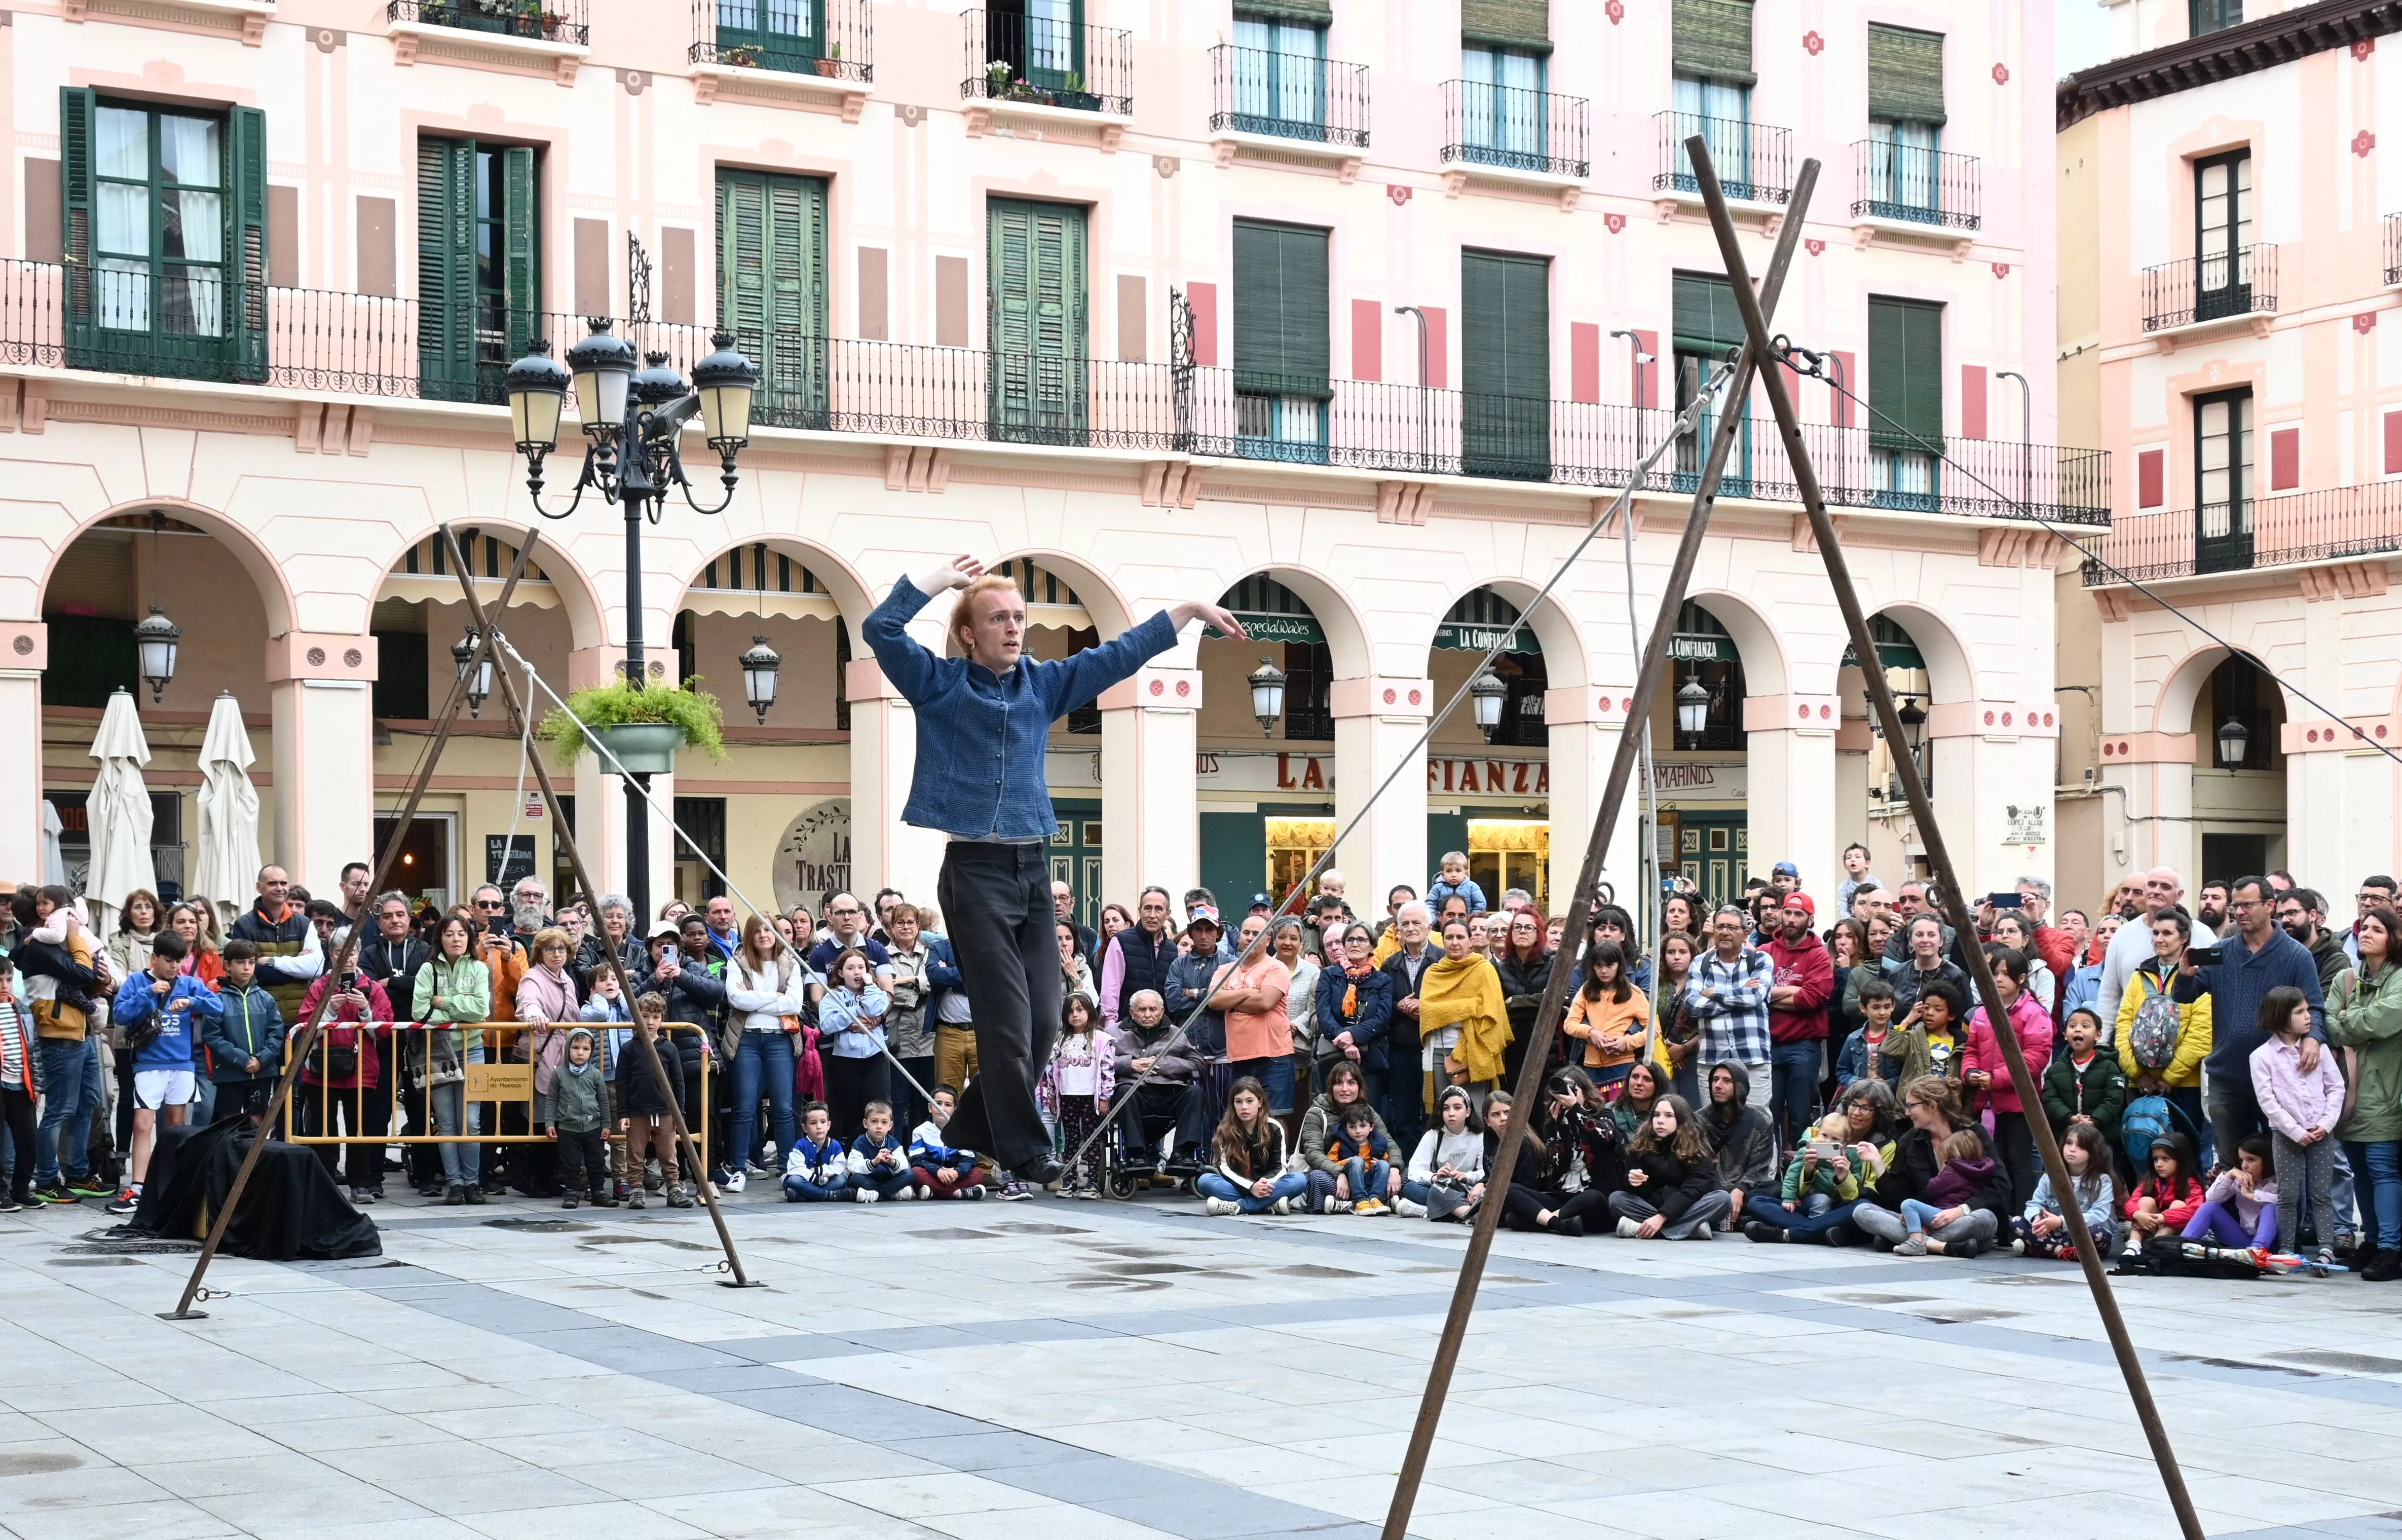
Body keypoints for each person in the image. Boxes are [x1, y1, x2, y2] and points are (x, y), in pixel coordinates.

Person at [862, 555, 1245, 1190]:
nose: (1014, 629)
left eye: (1019, 618)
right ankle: (1025, 1150)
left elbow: (1117, 656)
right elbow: (882, 631)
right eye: (998, 619)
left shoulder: (1043, 684)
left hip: (1034, 868)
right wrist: (937, 581)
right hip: (975, 871)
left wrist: (1188, 612)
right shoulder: (938, 683)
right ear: (968, 634)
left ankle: (968, 1132)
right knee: (1007, 1023)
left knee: (1046, 1019)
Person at [2173, 876, 2327, 1148]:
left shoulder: (2296, 955)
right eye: (2235, 907)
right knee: (2233, 1165)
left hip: (2280, 1075)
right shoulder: (2220, 952)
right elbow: (2184, 997)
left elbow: (2315, 1006)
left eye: (2248, 905)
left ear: (2270, 905)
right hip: (2227, 1075)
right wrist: (2184, 976)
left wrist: (2314, 1039)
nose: (2240, 913)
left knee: (2281, 1161)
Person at [104, 932, 217, 1215]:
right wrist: (148, 994)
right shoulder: (136, 981)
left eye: (179, 961)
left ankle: (170, 1184)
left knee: (176, 1126)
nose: (175, 967)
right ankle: (138, 1189)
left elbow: (218, 1006)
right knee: (142, 1124)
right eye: (169, 961)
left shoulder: (190, 983)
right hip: (148, 1064)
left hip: (181, 1065)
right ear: (154, 959)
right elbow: (119, 1015)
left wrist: (192, 1003)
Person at [1851, 1076, 2011, 1253]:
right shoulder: (1910, 1141)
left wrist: (1963, 1210)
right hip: (1925, 1220)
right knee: (1862, 1211)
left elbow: (2001, 1185)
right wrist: (1878, 1164)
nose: (1907, 1113)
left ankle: (1914, 1240)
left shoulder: (1972, 1133)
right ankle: (1944, 1246)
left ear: (1932, 1106)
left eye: (1912, 1106)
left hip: (1965, 1218)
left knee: (1986, 1218)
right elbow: (1900, 1201)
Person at [2329, 902, 2402, 1282]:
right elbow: (2328, 1022)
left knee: (2382, 1168)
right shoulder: (2346, 978)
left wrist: (2349, 1021)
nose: (2367, 933)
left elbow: (2386, 1018)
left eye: (2377, 928)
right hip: (2351, 1092)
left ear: (2393, 937)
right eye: (2364, 927)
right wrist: (2349, 1023)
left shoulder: (2400, 977)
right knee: (2359, 1169)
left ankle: (2392, 1247)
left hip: (2388, 1092)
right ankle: (2371, 1241)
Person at [722, 915, 815, 1189]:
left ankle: (787, 1168)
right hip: (747, 1040)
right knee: (744, 1107)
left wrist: (756, 1002)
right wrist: (776, 997)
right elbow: (736, 999)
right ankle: (738, 1169)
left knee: (785, 1108)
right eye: (757, 930)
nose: (763, 934)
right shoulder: (737, 961)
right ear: (749, 935)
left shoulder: (791, 962)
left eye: (768, 929)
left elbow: (796, 1004)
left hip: (780, 1040)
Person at [2251, 985, 2342, 1267]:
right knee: (2288, 1194)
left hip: (2321, 1133)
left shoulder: (2320, 1049)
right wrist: (2295, 1131)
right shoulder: (2262, 1057)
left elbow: (2336, 1087)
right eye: (2300, 1012)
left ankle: (2327, 1247)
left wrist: (2325, 1125)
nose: (2309, 1017)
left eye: (2308, 1010)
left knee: (2321, 1193)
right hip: (2286, 1135)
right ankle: (2288, 1248)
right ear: (2281, 1016)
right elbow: (2268, 1102)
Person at [2116, 906, 2213, 1164]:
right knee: (2146, 1156)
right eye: (2156, 933)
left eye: (2167, 933)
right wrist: (2138, 1073)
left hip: (2184, 1086)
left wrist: (2169, 1078)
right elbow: (2124, 1024)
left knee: (2185, 1157)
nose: (2159, 939)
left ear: (2184, 938)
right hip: (2142, 1084)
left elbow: (2201, 1033)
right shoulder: (2140, 976)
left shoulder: (2200, 976)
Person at [294, 957, 395, 1204]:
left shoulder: (372, 987)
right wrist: (329, 1010)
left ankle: (360, 1184)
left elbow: (385, 1029)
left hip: (362, 1069)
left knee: (359, 1129)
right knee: (322, 1129)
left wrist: (365, 1010)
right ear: (333, 956)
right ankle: (325, 1182)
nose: (347, 958)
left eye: (352, 951)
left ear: (359, 955)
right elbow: (305, 1028)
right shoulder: (320, 987)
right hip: (322, 1068)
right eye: (341, 951)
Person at [1962, 946, 2054, 1210]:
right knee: (1995, 1161)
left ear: (2022, 978)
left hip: (2019, 1104)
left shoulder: (2034, 1013)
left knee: (2019, 1161)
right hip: (1987, 1102)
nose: (1999, 979)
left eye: (2006, 974)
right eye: (1995, 973)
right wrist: (1970, 1073)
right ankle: (2000, 1223)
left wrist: (1995, 1079)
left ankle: (2022, 1218)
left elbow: (2035, 1059)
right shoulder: (1982, 1012)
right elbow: (1971, 1050)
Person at [1763, 894, 1834, 1157]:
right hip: (1769, 1046)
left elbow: (1812, 999)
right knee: (1766, 1113)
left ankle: (1804, 1174)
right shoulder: (1764, 953)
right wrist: (1792, 990)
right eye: (1789, 913)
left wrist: (1770, 997)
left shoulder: (1819, 955)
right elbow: (1753, 995)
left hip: (1803, 1047)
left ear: (1810, 920)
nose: (1792, 919)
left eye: (1799, 914)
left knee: (1800, 1115)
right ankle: (1769, 1173)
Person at [1684, 907, 1774, 1110]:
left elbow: (1755, 997)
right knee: (1713, 1125)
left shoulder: (1760, 960)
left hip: (1753, 1058)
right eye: (1721, 927)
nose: (1725, 932)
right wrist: (1739, 995)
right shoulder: (1700, 963)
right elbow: (1692, 1004)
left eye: (1732, 927)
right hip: (1712, 1061)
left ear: (1745, 933)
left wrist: (1714, 991)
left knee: (1758, 1124)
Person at [1608, 1093, 1729, 1240]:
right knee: (1617, 1199)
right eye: (1657, 1115)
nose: (1660, 1121)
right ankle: (1691, 1229)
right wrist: (1632, 1180)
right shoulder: (1641, 1143)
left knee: (1721, 1199)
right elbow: (1639, 1193)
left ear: (1681, 1119)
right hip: (1653, 1205)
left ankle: (1639, 1229)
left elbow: (1694, 1190)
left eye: (1668, 1116)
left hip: (1687, 1206)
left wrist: (1662, 1217)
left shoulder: (1697, 1148)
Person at [1215, 915, 1294, 1117]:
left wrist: (1231, 1000)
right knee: (1242, 1119)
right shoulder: (1225, 969)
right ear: (1239, 937)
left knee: (1275, 1117)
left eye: (1257, 934)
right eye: (1246, 933)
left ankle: (1278, 1152)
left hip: (1274, 1056)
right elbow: (1213, 1001)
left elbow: (1265, 1002)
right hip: (1239, 1057)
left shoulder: (1277, 967)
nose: (1250, 938)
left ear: (1268, 940)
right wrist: (1249, 992)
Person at [1297, 1061, 1398, 1213]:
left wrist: (1395, 1168)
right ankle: (1359, 1203)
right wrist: (1339, 1173)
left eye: (1351, 1083)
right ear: (1331, 1087)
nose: (1345, 1089)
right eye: (1339, 1083)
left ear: (1359, 1087)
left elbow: (1390, 1143)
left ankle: (1366, 1201)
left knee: (1403, 1176)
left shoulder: (1367, 1111)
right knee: (1317, 1178)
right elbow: (1313, 1153)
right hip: (1334, 1176)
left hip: (1367, 1177)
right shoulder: (1317, 1113)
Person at [1038, 995, 1114, 1197]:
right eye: (1071, 1012)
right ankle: (1070, 1180)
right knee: (1070, 1140)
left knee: (1092, 1140)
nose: (1075, 1015)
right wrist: (1053, 1096)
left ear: (1090, 1012)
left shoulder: (1101, 1039)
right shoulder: (1060, 1041)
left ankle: (1093, 1184)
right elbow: (1051, 1072)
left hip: (1091, 1097)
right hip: (1068, 1096)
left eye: (1080, 1010)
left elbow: (1108, 1070)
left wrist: (1105, 1097)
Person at [230, 866, 324, 1025]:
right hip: (260, 1017)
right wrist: (298, 968)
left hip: (300, 1018)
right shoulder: (244, 925)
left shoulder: (304, 923)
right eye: (273, 883)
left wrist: (273, 962)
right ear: (259, 887)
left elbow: (316, 968)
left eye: (283, 883)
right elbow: (248, 972)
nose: (279, 888)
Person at [2012, 1122, 2122, 1260]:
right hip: (2055, 1232)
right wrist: (2037, 1219)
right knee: (2017, 1221)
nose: (2072, 1149)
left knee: (2097, 1233)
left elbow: (2099, 1215)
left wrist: (2060, 1222)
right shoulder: (2050, 1177)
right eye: (2069, 1143)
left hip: (2084, 1233)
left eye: (2080, 1146)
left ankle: (2040, 1249)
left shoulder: (2103, 1180)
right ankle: (2062, 1252)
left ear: (2093, 1151)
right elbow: (2034, 1204)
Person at [620, 993, 689, 1209]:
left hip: (666, 1111)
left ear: (662, 1019)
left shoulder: (670, 1048)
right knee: (635, 1153)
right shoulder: (629, 1049)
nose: (650, 1022)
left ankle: (674, 1188)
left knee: (669, 1154)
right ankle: (636, 1190)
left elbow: (679, 1083)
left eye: (655, 1017)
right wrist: (623, 1113)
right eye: (645, 1016)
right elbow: (622, 1083)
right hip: (637, 1111)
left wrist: (680, 1114)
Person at [1198, 1076, 1304, 1215]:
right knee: (1205, 1181)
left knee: (1299, 1180)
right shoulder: (1226, 1130)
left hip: (1268, 1185)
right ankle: (1269, 1205)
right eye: (1239, 1102)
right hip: (1239, 1186)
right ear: (1233, 1104)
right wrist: (1251, 1187)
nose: (1244, 1107)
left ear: (1260, 1102)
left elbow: (1280, 1167)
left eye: (1250, 1101)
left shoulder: (1274, 1127)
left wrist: (1263, 1184)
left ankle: (1239, 1207)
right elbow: (1225, 1170)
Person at [819, 947, 894, 1145]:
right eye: (851, 968)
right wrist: (851, 1013)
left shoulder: (876, 992)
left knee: (879, 1106)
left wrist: (870, 987)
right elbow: (827, 1026)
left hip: (875, 1055)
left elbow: (876, 1009)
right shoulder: (832, 997)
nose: (857, 972)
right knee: (852, 1109)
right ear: (841, 973)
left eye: (861, 967)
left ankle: (884, 1150)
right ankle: (855, 1154)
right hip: (846, 1058)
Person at [1319, 923, 1395, 1112]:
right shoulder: (1329, 975)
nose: (1355, 944)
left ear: (1372, 946)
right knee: (1334, 1114)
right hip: (1334, 1054)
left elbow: (1382, 1018)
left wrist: (1354, 1035)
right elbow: (1323, 1014)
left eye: (1362, 939)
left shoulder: (1383, 980)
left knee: (1368, 1115)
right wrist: (1346, 1041)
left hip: (1369, 1059)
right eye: (1350, 939)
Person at [1891, 1129, 1998, 1257]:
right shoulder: (1982, 1169)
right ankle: (1950, 1245)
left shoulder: (1952, 1172)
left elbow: (1932, 1188)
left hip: (1944, 1214)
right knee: (1865, 1211)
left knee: (1909, 1205)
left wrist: (1942, 1171)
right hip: (1961, 1220)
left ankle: (1916, 1240)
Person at [1562, 940, 1648, 1095]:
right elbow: (1569, 1024)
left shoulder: (1633, 993)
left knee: (1618, 1115)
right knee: (1595, 1112)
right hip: (1592, 1066)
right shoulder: (1586, 991)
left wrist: (1627, 1042)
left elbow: (1654, 1030)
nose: (1603, 971)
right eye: (1598, 965)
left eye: (1609, 965)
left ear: (1619, 966)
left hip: (1623, 1065)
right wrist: (1590, 1033)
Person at [882, 904, 939, 1134]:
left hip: (928, 1036)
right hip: (898, 1036)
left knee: (926, 1099)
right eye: (900, 923)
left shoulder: (931, 952)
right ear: (892, 927)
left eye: (911, 923)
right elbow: (884, 990)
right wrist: (920, 985)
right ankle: (894, 1149)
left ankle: (924, 1151)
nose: (906, 927)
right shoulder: (883, 955)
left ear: (918, 926)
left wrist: (909, 981)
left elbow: (937, 981)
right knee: (896, 1099)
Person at [2041, 1006, 2127, 1154]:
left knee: (2100, 1173)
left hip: (2101, 1137)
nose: (2078, 1030)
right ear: (2065, 1035)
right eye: (2072, 1026)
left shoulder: (2110, 1067)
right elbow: (2050, 1098)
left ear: (2098, 1035)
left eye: (2085, 1026)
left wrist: (2095, 1121)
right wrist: (2070, 1118)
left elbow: (2114, 1099)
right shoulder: (2056, 1069)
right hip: (2066, 1136)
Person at [1701, 1062, 1775, 1228]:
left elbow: (1760, 1167)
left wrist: (1740, 1189)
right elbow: (1698, 1169)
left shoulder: (1761, 1122)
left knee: (1775, 1189)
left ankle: (1723, 1218)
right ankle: (1739, 1220)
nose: (1718, 1086)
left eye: (1727, 1081)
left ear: (1740, 1086)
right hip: (1711, 1191)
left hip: (1747, 1192)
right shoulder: (1698, 1120)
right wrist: (1723, 1194)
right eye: (1715, 1080)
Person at [548, 1028, 615, 1210]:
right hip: (568, 1127)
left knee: (597, 1161)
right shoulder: (560, 1074)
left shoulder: (595, 1075)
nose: (580, 1053)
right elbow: (552, 1099)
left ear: (591, 1052)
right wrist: (549, 1123)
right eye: (576, 1047)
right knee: (571, 1163)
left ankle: (598, 1193)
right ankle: (571, 1193)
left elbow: (603, 1101)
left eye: (586, 1049)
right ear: (568, 1049)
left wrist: (606, 1125)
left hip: (593, 1127)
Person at [1098, 887, 1177, 1036]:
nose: (1152, 915)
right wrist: (1111, 1028)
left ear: (1168, 914)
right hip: (1126, 1029)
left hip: (1161, 1031)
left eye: (1159, 909)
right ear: (1140, 911)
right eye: (1148, 908)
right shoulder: (1121, 941)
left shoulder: (1173, 949)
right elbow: (1110, 990)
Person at [1403, 1084, 1485, 1221]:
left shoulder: (1479, 1136)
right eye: (1446, 1109)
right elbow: (1415, 1170)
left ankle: (1447, 1211)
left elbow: (1486, 1173)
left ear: (1468, 1112)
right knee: (1411, 1188)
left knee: (1481, 1193)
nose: (1451, 1113)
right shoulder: (1434, 1135)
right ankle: (1462, 1210)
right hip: (1440, 1187)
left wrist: (1465, 1176)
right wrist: (1435, 1177)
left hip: (1466, 1188)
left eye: (1457, 1108)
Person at [2182, 1135, 2277, 1251]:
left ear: (2267, 1160)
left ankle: (2257, 1250)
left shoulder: (2279, 1180)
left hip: (2273, 1245)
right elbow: (2211, 1199)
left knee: (2270, 1208)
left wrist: (2251, 1195)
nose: (2244, 1166)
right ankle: (2182, 1246)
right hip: (2245, 1241)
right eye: (2242, 1160)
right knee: (2210, 1208)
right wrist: (2230, 1175)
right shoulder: (2240, 1179)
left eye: (2251, 1160)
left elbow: (2283, 1201)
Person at [2121, 1132, 2207, 1256]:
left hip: (2176, 1235)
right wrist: (2137, 1214)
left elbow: (2195, 1211)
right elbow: (2131, 1202)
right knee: (2145, 1201)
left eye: (2166, 1159)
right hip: (2151, 1227)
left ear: (2181, 1160)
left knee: (2179, 1205)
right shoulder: (2151, 1181)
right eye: (2156, 1159)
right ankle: (2133, 1246)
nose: (2159, 1164)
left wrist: (2164, 1218)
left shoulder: (2192, 1185)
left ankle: (2153, 1248)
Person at [1270, 918, 1319, 1113]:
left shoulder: (1312, 971)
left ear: (1302, 943)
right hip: (1271, 1046)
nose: (1287, 943)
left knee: (1299, 1108)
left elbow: (1314, 1006)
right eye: (1282, 937)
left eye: (1293, 938)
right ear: (1274, 941)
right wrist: (1281, 1025)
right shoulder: (1266, 967)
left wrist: (1295, 1025)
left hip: (1299, 1048)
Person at [909, 1085, 987, 1200]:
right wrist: (938, 1171)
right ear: (930, 1107)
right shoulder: (920, 1131)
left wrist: (957, 1172)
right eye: (938, 1104)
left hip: (955, 1176)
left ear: (955, 1110)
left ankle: (935, 1192)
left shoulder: (961, 1132)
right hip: (932, 1174)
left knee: (978, 1174)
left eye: (948, 1105)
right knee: (916, 1173)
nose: (942, 1108)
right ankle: (958, 1193)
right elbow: (917, 1160)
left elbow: (969, 1160)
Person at [1650, 930, 1701, 1105]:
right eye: (1671, 952)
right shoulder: (1654, 984)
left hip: (1692, 1058)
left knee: (1692, 1110)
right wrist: (1666, 1050)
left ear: (1693, 955)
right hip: (1660, 1056)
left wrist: (1684, 1049)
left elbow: (1709, 1024)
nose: (1677, 957)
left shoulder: (1703, 983)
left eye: (1683, 952)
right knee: (1665, 1106)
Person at [1325, 1104, 1397, 1216]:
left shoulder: (1378, 1144)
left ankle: (1376, 1199)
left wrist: (1382, 1165)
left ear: (1372, 1127)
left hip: (1370, 1180)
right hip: (1350, 1181)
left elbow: (1387, 1163)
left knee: (1383, 1164)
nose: (1358, 1131)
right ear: (1346, 1129)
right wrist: (1348, 1162)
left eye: (1363, 1126)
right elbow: (1330, 1164)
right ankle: (1360, 1201)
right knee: (1357, 1161)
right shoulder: (1340, 1144)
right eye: (1353, 1127)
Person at [1834, 976, 1901, 1096]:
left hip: (1890, 1100)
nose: (1882, 1012)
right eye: (1876, 1007)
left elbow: (1907, 1072)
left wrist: (1888, 1084)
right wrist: (1860, 1084)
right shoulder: (1853, 1039)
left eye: (1887, 1007)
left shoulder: (1899, 1038)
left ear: (1893, 1006)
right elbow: (1842, 1071)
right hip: (1860, 1098)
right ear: (1863, 1008)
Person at [781, 1101, 852, 1203]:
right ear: (805, 1128)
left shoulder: (835, 1145)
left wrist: (819, 1171)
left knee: (842, 1180)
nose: (819, 1127)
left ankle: (804, 1196)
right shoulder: (800, 1145)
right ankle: (829, 1196)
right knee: (794, 1180)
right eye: (813, 1123)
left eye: (823, 1122)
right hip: (806, 1181)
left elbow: (840, 1167)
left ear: (829, 1125)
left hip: (826, 1181)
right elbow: (795, 1169)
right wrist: (814, 1178)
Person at [846, 1101, 916, 1202]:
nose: (879, 1126)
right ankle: (892, 1194)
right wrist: (874, 1162)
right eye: (874, 1121)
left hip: (888, 1178)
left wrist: (892, 1162)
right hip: (869, 1178)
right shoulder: (860, 1143)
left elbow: (904, 1164)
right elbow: (853, 1166)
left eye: (884, 1122)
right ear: (866, 1124)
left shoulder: (892, 1142)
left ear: (890, 1125)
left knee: (909, 1174)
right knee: (854, 1179)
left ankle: (877, 1195)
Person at [1426, 852, 1487, 917]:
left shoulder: (1472, 887)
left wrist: (1471, 920)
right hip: (1442, 925)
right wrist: (1435, 921)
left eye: (1458, 871)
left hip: (1466, 925)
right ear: (1443, 874)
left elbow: (1480, 904)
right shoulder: (1437, 888)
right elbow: (1430, 905)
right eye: (1449, 871)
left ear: (1466, 873)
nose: (1454, 875)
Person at [1834, 843, 1880, 918]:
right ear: (1846, 866)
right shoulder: (1844, 887)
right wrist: (1851, 924)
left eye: (1858, 857)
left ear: (1867, 864)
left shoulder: (1876, 883)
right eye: (1849, 858)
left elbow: (1880, 903)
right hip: (1852, 922)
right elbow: (1843, 910)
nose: (1852, 860)